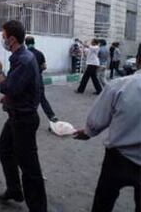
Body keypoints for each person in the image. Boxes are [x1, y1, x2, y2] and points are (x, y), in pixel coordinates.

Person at [0, 21, 47, 212]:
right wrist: (10, 99)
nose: (3, 40)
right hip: (17, 116)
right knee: (4, 149)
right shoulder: (22, 57)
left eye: (3, 37)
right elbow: (23, 89)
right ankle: (14, 189)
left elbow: (8, 86)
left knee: (30, 169)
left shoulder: (23, 60)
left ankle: (38, 208)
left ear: (12, 39)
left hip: (24, 120)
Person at [73, 56, 141, 212]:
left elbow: (97, 120)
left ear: (138, 60)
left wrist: (88, 132)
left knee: (104, 200)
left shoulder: (121, 85)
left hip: (118, 158)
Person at [25, 36, 58, 122]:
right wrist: (38, 70)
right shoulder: (40, 53)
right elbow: (44, 66)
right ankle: (52, 116)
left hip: (27, 80)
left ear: (25, 43)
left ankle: (27, 118)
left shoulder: (24, 54)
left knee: (27, 99)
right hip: (38, 79)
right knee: (42, 99)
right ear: (34, 43)